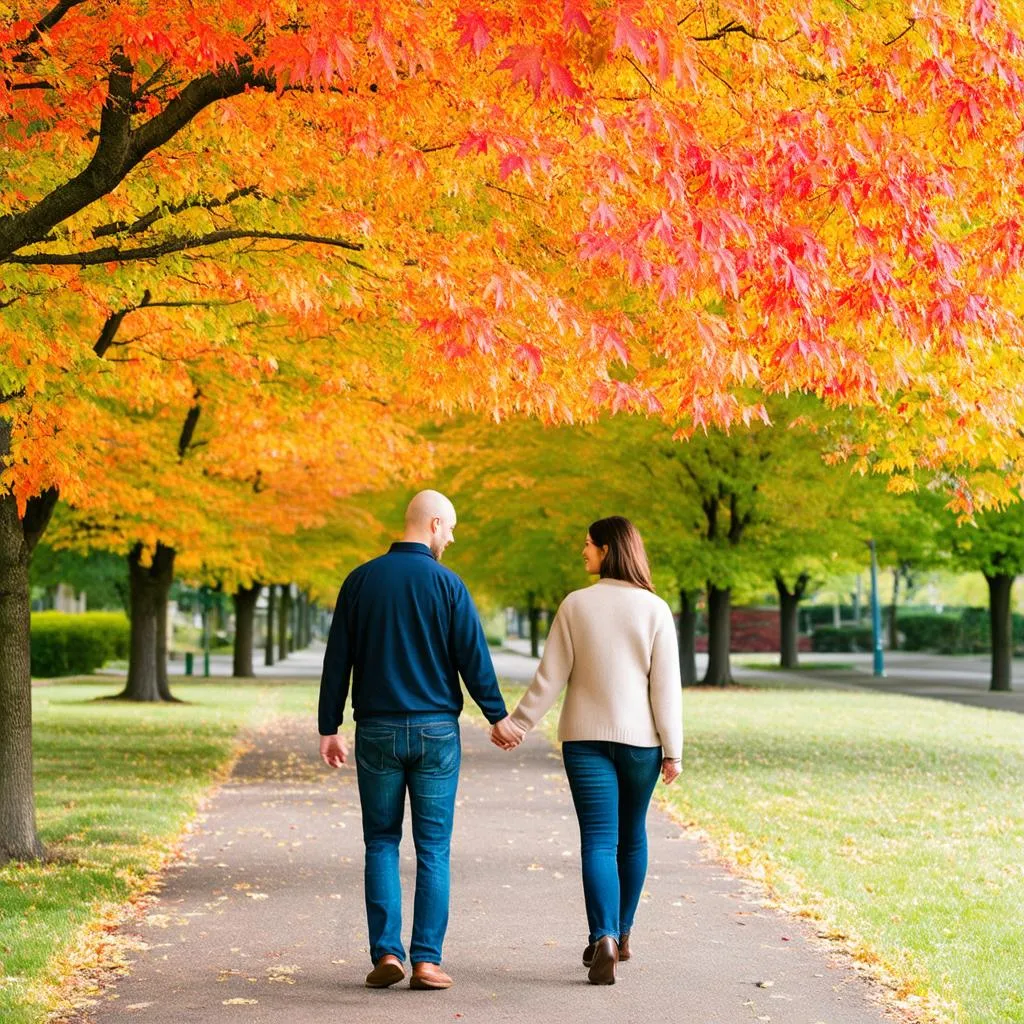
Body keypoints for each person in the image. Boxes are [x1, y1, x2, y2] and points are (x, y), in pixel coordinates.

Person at [318, 489, 513, 991]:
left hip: (377, 729)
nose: (450, 537)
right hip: (436, 732)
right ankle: (426, 961)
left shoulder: (360, 581)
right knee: (434, 848)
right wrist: (496, 716)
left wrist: (329, 726)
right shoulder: (447, 585)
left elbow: (338, 657)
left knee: (380, 841)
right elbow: (473, 657)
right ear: (432, 523)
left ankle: (387, 952)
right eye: (449, 528)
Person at [492, 516, 683, 986]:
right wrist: (673, 751)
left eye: (588, 546)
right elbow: (666, 690)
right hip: (641, 743)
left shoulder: (576, 605)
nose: (583, 553)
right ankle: (622, 932)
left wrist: (517, 725)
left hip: (584, 739)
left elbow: (549, 678)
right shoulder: (655, 609)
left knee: (599, 838)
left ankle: (603, 939)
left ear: (607, 550)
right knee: (632, 835)